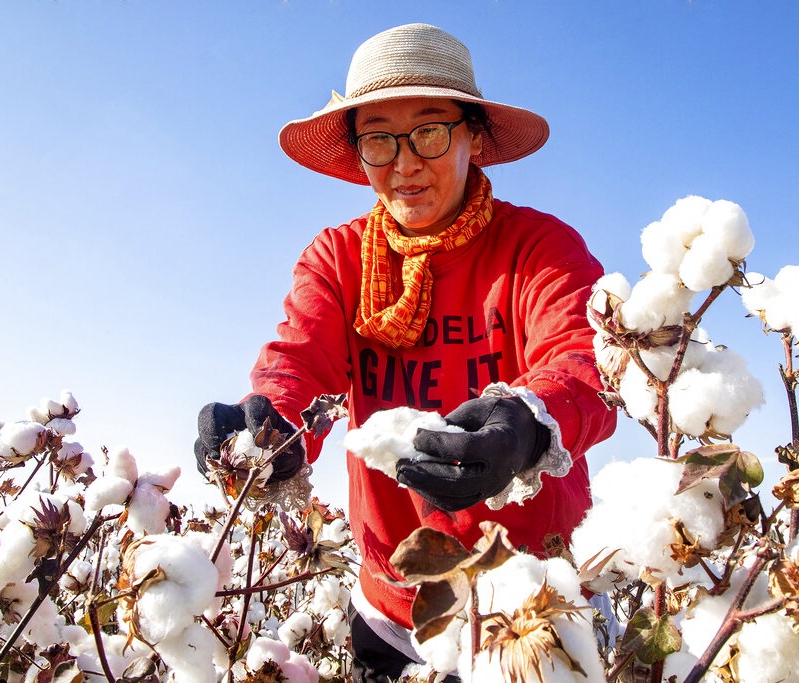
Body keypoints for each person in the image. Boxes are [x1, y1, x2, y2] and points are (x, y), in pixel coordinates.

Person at [195, 23, 617, 682]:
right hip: (392, 612)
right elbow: (299, 358)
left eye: (428, 131)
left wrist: (529, 421)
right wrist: (269, 427)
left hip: (535, 609)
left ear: (472, 137)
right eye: (378, 139)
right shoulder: (338, 259)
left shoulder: (538, 248)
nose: (404, 162)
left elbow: (584, 357)